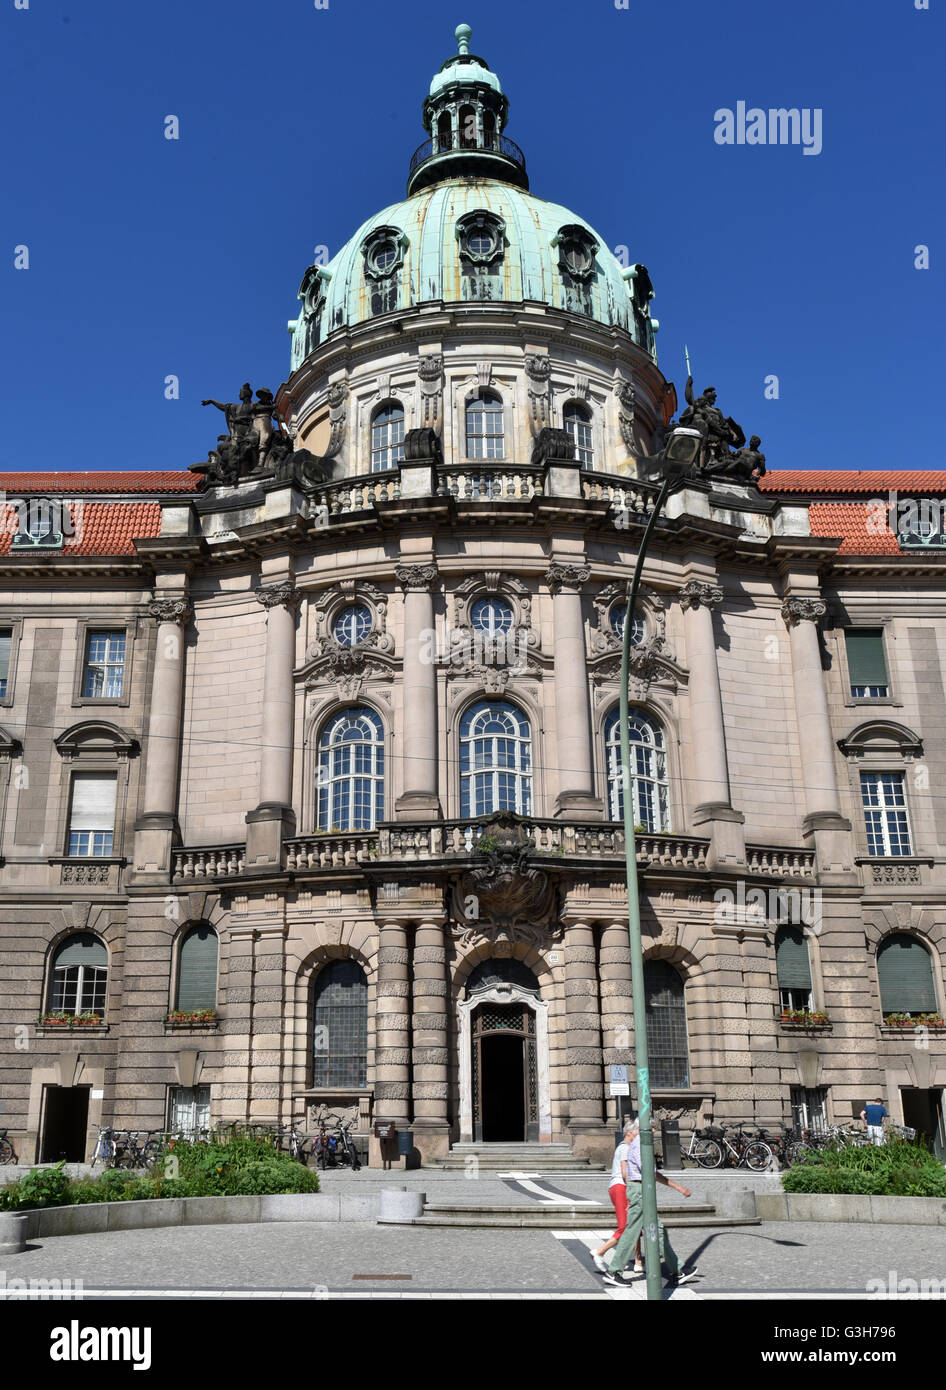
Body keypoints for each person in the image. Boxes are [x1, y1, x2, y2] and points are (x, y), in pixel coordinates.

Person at [602, 1117, 699, 1289]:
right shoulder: (641, 1144)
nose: (654, 1131)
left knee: (658, 1230)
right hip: (640, 1191)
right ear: (642, 1128)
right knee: (632, 1231)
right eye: (652, 1127)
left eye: (654, 1128)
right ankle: (614, 1271)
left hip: (640, 1190)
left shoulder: (639, 1143)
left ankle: (678, 1269)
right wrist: (678, 1187)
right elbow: (649, 1171)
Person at [592, 1119, 644, 1276]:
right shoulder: (625, 1148)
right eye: (636, 1131)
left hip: (620, 1187)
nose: (638, 1134)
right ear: (629, 1132)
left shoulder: (628, 1147)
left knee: (633, 1224)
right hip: (621, 1187)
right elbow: (624, 1172)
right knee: (627, 1227)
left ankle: (637, 1260)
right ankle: (600, 1252)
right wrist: (631, 1192)